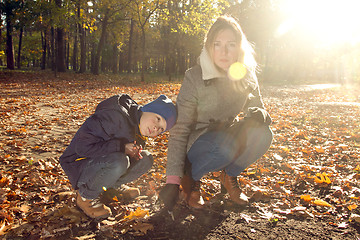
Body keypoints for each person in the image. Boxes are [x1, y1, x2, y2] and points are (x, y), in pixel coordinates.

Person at [159, 15, 273, 210]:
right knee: (222, 147)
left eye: (231, 44)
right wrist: (173, 180)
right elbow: (179, 130)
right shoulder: (194, 76)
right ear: (209, 47)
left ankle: (229, 176)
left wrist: (258, 115)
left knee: (263, 133)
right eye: (217, 44)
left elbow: (256, 106)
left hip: (226, 134)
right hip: (199, 141)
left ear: (239, 47)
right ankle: (192, 180)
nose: (224, 52)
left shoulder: (246, 73)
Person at [59, 94, 177, 219]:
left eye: (161, 129)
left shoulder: (138, 127)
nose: (155, 128)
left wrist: (131, 153)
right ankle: (86, 197)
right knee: (120, 161)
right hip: (79, 165)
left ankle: (110, 188)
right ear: (147, 109)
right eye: (157, 119)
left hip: (103, 163)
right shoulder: (115, 117)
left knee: (146, 158)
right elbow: (82, 147)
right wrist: (121, 147)